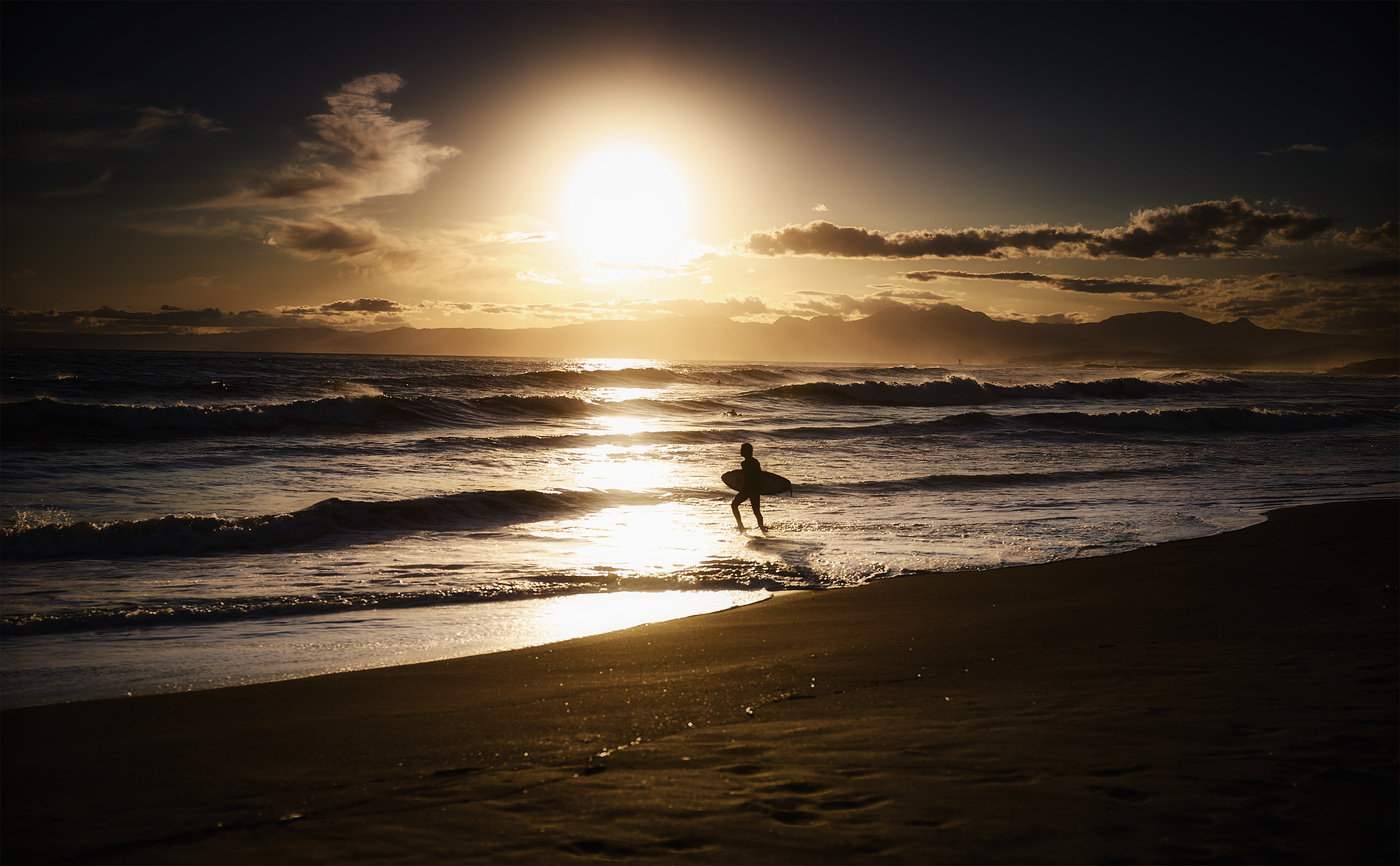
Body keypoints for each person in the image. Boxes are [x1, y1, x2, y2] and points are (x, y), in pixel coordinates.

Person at [730, 442, 767, 532]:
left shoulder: (747, 463)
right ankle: (761, 527)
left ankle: (741, 525)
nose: (740, 451)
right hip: (753, 489)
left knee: (734, 505)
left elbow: (753, 476)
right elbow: (754, 476)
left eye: (742, 449)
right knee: (756, 511)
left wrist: (750, 489)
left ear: (747, 451)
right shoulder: (753, 462)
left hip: (749, 489)